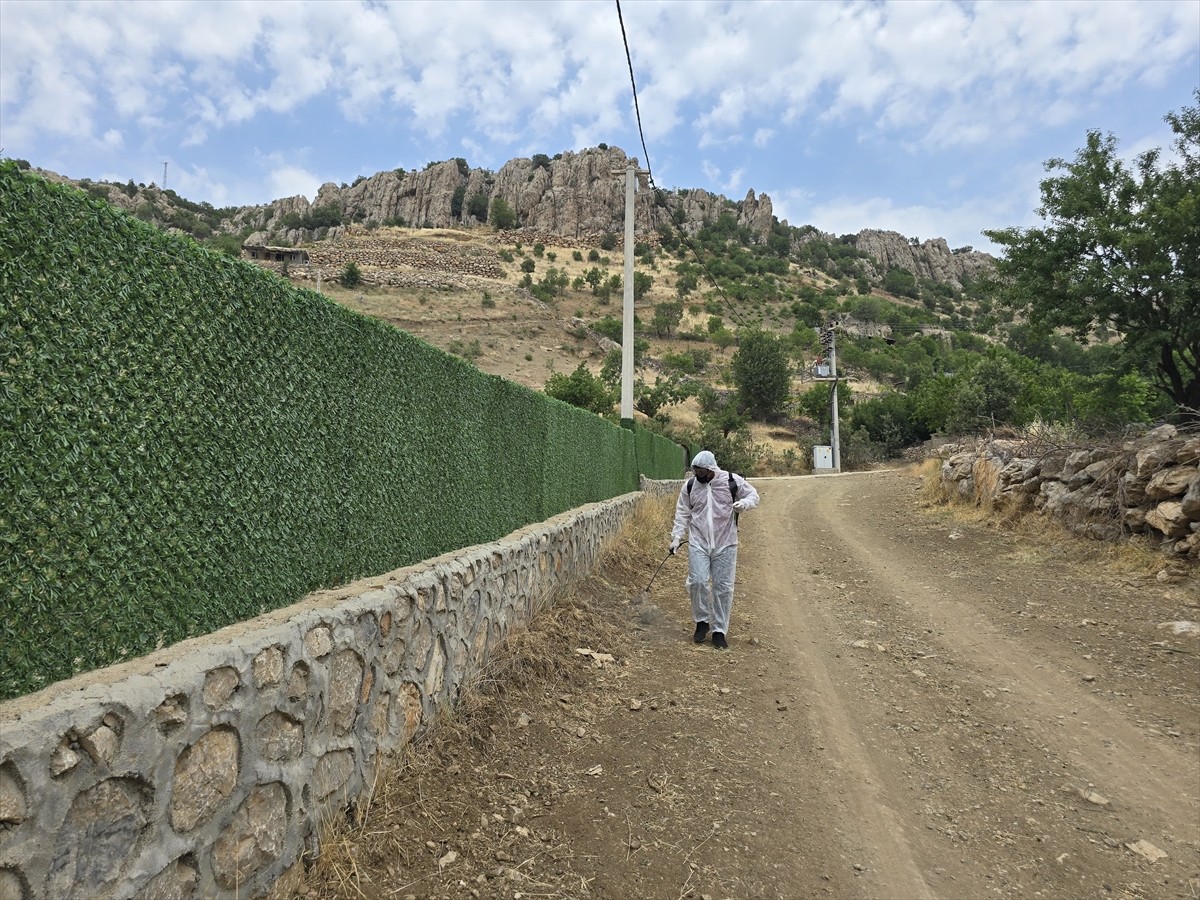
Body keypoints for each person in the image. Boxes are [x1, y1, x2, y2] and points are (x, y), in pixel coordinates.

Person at [668, 450, 759, 650]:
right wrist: (676, 538)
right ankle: (702, 621)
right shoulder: (690, 486)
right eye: (696, 471)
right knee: (698, 581)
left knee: (723, 588)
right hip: (698, 541)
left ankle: (719, 630)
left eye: (701, 471)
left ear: (711, 470)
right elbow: (683, 512)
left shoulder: (731, 480)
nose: (698, 475)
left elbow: (754, 495)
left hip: (726, 542)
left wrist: (744, 503)